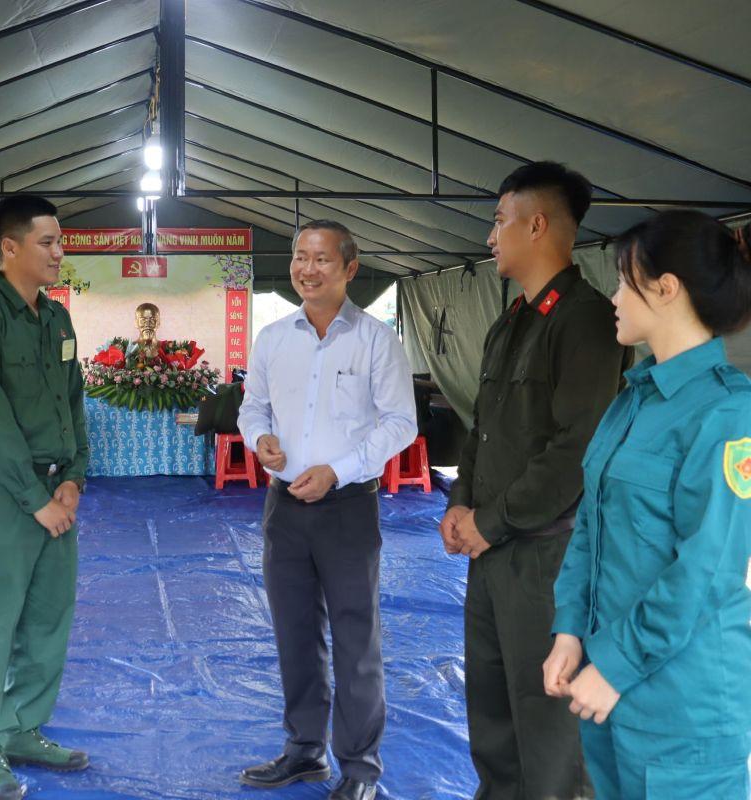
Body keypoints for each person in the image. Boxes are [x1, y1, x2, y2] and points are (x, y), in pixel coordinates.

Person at [543, 211, 751, 799]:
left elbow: (706, 569)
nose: (612, 297)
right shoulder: (633, 402)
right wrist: (571, 632)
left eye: (622, 281)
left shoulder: (727, 414)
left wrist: (614, 665)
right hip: (611, 687)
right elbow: (591, 526)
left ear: (666, 288)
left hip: (683, 704)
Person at [439, 162, 630, 799]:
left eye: (500, 221)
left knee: (547, 726)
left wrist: (488, 524)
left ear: (538, 224)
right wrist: (460, 504)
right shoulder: (509, 323)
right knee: (491, 714)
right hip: (493, 553)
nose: (491, 237)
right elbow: (482, 429)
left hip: (546, 554)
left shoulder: (585, 321)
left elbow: (575, 451)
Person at [237, 220, 417, 800]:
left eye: (321, 259)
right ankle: (304, 751)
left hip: (346, 510)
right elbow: (252, 407)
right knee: (294, 631)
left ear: (349, 269)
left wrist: (337, 470)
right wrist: (259, 440)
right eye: (299, 257)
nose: (306, 269)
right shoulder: (273, 338)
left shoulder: (375, 340)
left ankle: (360, 767)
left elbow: (400, 423)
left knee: (354, 636)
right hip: (283, 506)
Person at [0, 195, 89, 800]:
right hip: (6, 496)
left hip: (55, 492)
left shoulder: (56, 319)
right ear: (10, 248)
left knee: (47, 618)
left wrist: (75, 478)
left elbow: (74, 402)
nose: (60, 252)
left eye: (61, 241)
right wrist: (38, 498)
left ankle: (24, 727)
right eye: (48, 242)